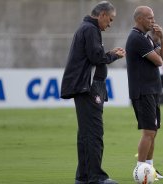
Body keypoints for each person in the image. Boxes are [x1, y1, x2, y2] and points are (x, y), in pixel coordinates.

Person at [60, 1, 125, 184]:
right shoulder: (90, 29)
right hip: (88, 88)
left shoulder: (86, 28)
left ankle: (83, 177)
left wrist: (109, 53)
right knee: (94, 133)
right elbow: (96, 56)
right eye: (110, 19)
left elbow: (94, 54)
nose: (110, 24)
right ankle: (96, 177)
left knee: (86, 134)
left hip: (85, 87)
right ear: (102, 14)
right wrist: (114, 55)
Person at [126, 6, 163, 179]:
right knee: (149, 132)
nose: (153, 20)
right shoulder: (137, 38)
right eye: (149, 18)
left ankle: (150, 169)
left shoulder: (147, 38)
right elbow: (159, 62)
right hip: (143, 91)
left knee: (154, 130)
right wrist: (157, 42)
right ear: (139, 19)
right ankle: (140, 170)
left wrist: (162, 38)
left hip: (152, 90)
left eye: (153, 17)